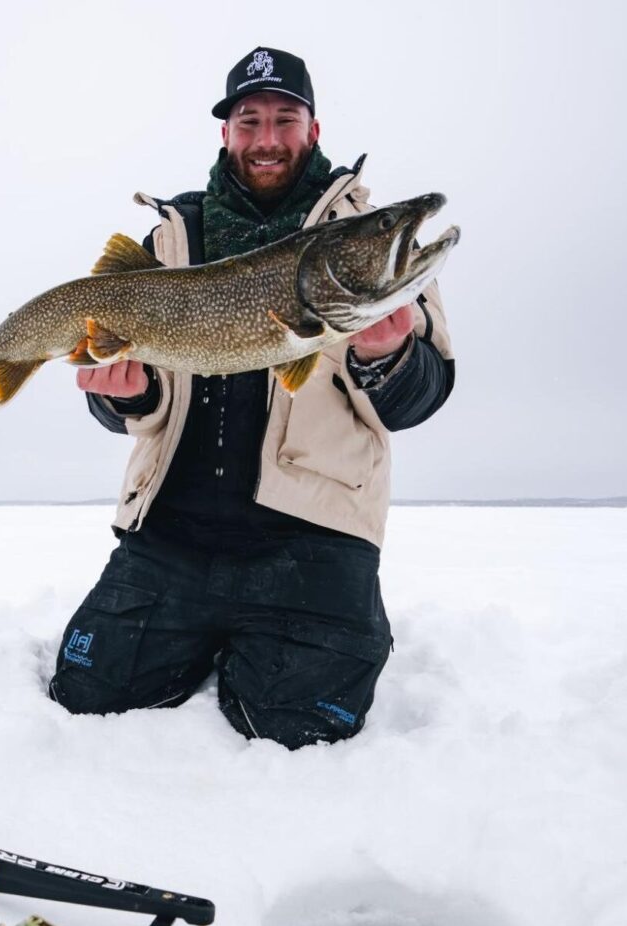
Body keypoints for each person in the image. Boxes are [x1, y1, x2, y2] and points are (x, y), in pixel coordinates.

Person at [48, 47, 453, 749]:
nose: (268, 138)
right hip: (171, 534)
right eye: (250, 120)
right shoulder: (171, 240)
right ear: (226, 133)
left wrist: (387, 357)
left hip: (313, 541)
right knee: (87, 696)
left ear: (313, 130)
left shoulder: (367, 244)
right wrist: (126, 396)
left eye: (285, 119)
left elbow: (420, 396)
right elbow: (127, 404)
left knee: (297, 733)